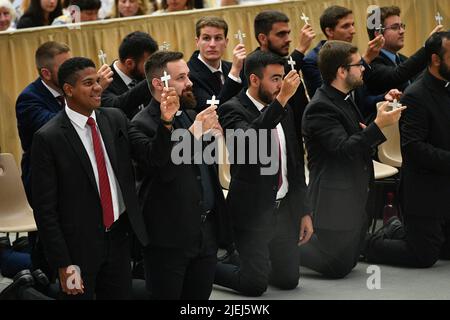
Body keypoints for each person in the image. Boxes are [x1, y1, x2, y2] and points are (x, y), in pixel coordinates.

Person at [31, 57, 149, 299]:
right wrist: (63, 263)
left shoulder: (115, 118)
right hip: (78, 249)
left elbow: (151, 156)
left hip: (118, 238)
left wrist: (168, 123)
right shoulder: (48, 138)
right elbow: (45, 210)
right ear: (68, 89)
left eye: (97, 81)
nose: (98, 87)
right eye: (88, 83)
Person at [131, 51, 232, 299]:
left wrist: (213, 136)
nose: (189, 83)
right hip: (168, 240)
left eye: (187, 76)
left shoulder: (187, 113)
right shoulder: (139, 125)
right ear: (159, 83)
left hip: (204, 235)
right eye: (181, 77)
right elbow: (162, 168)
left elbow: (199, 170)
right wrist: (195, 131)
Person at [299, 40, 405, 278]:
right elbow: (344, 149)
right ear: (341, 71)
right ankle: (279, 245)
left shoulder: (344, 97)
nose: (364, 69)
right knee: (338, 268)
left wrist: (370, 127)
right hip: (333, 198)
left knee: (351, 259)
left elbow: (356, 140)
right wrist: (377, 126)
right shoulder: (321, 107)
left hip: (353, 193)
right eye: (358, 64)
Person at [215, 50, 313, 296]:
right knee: (254, 286)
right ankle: (208, 266)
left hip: (283, 209)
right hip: (253, 211)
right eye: (275, 79)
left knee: (288, 280)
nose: (281, 85)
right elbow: (249, 141)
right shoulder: (232, 109)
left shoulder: (283, 107)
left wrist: (304, 211)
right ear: (254, 80)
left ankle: (249, 259)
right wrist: (281, 102)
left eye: (282, 78)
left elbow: (294, 163)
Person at [15, 41, 112, 281]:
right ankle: (41, 281)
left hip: (77, 172)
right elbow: (59, 129)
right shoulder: (28, 99)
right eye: (64, 66)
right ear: (46, 73)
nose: (71, 67)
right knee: (48, 243)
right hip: (43, 176)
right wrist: (88, 92)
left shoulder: (76, 90)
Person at [364, 31, 450, 268]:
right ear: (435, 59)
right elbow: (414, 149)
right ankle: (364, 243)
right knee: (424, 256)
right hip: (425, 190)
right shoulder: (416, 96)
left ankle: (396, 227)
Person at [252, 10, 315, 141]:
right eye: (281, 34)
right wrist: (301, 49)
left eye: (288, 33)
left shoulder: (287, 60)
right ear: (263, 38)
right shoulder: (253, 65)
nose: (288, 39)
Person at [363, 6, 444, 95]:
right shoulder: (371, 63)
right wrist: (427, 46)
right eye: (395, 27)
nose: (402, 31)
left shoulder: (403, 59)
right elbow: (397, 75)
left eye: (402, 26)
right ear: (378, 34)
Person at [188, 16, 245, 112]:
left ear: (226, 42)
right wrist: (234, 73)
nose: (212, 44)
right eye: (206, 38)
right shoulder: (188, 73)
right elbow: (211, 111)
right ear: (197, 42)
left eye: (218, 38)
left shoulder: (234, 67)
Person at [101, 31, 158, 119]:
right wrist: (151, 79)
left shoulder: (141, 74)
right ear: (129, 63)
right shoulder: (104, 82)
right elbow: (116, 106)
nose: (153, 68)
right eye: (149, 64)